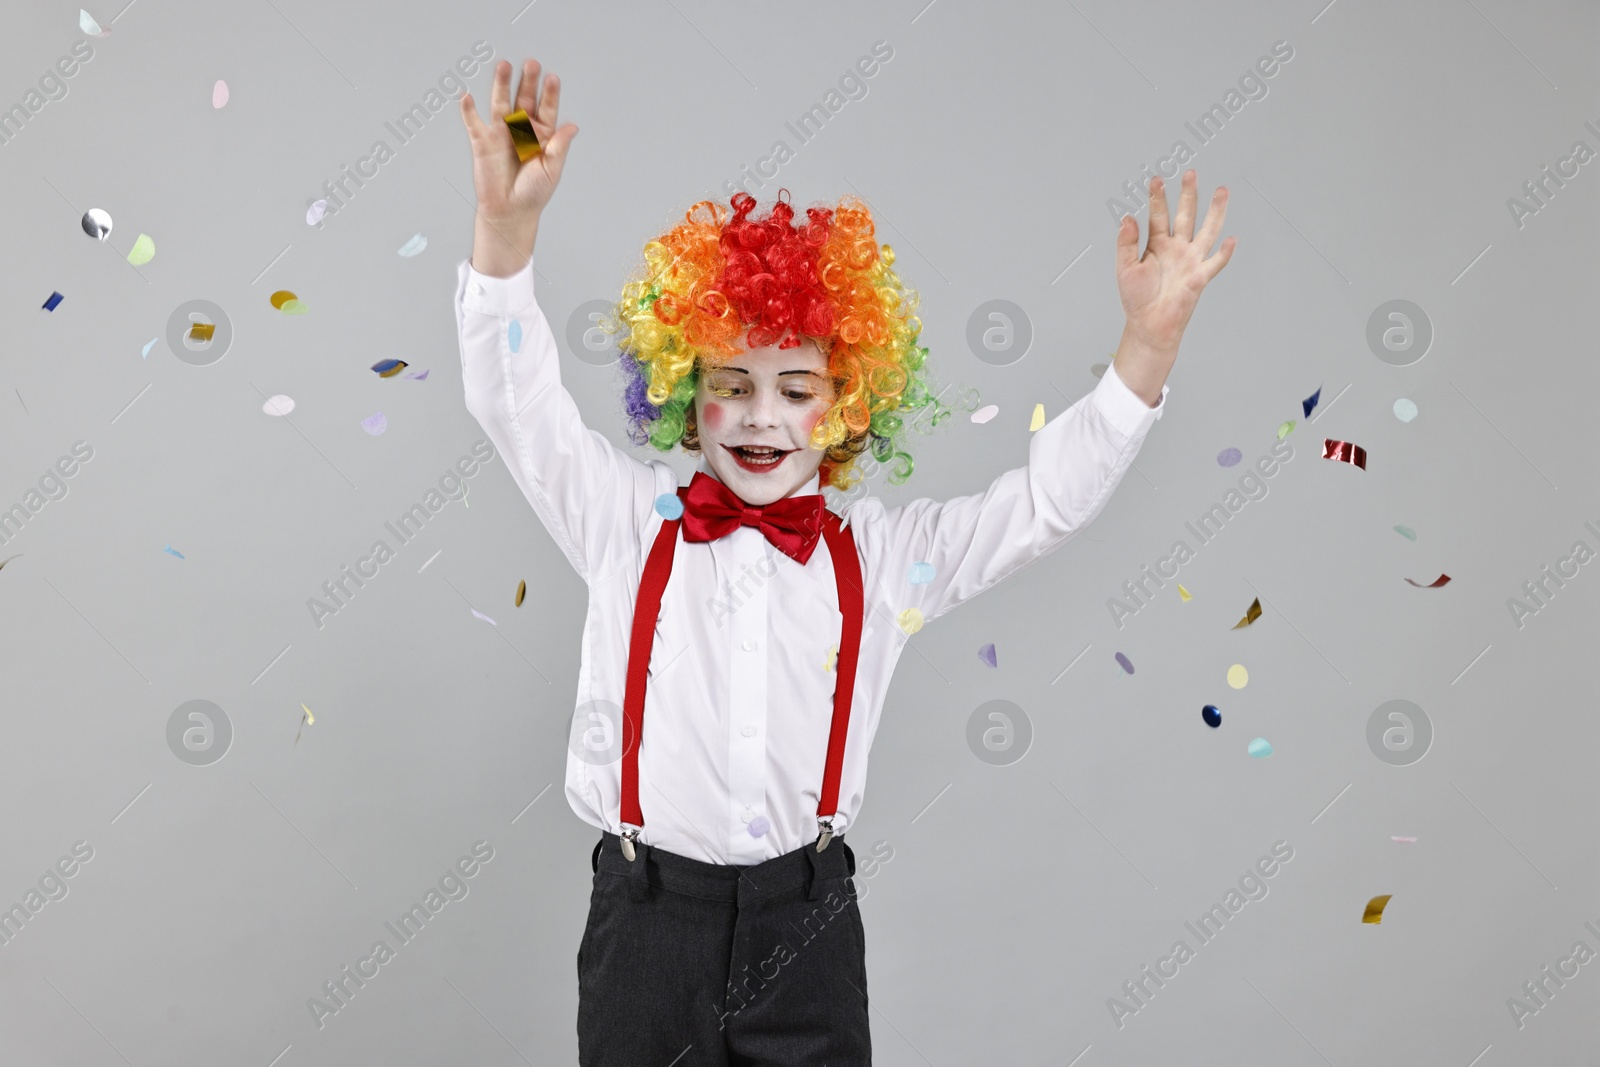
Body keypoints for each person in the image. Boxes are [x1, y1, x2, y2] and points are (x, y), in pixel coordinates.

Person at [455, 56, 1234, 1067]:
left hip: (806, 925)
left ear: (848, 401)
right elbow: (515, 404)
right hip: (645, 926)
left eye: (795, 386)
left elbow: (1041, 504)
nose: (762, 415)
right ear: (686, 395)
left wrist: (1146, 350)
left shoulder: (884, 556)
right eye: (732, 383)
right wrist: (506, 236)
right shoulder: (625, 521)